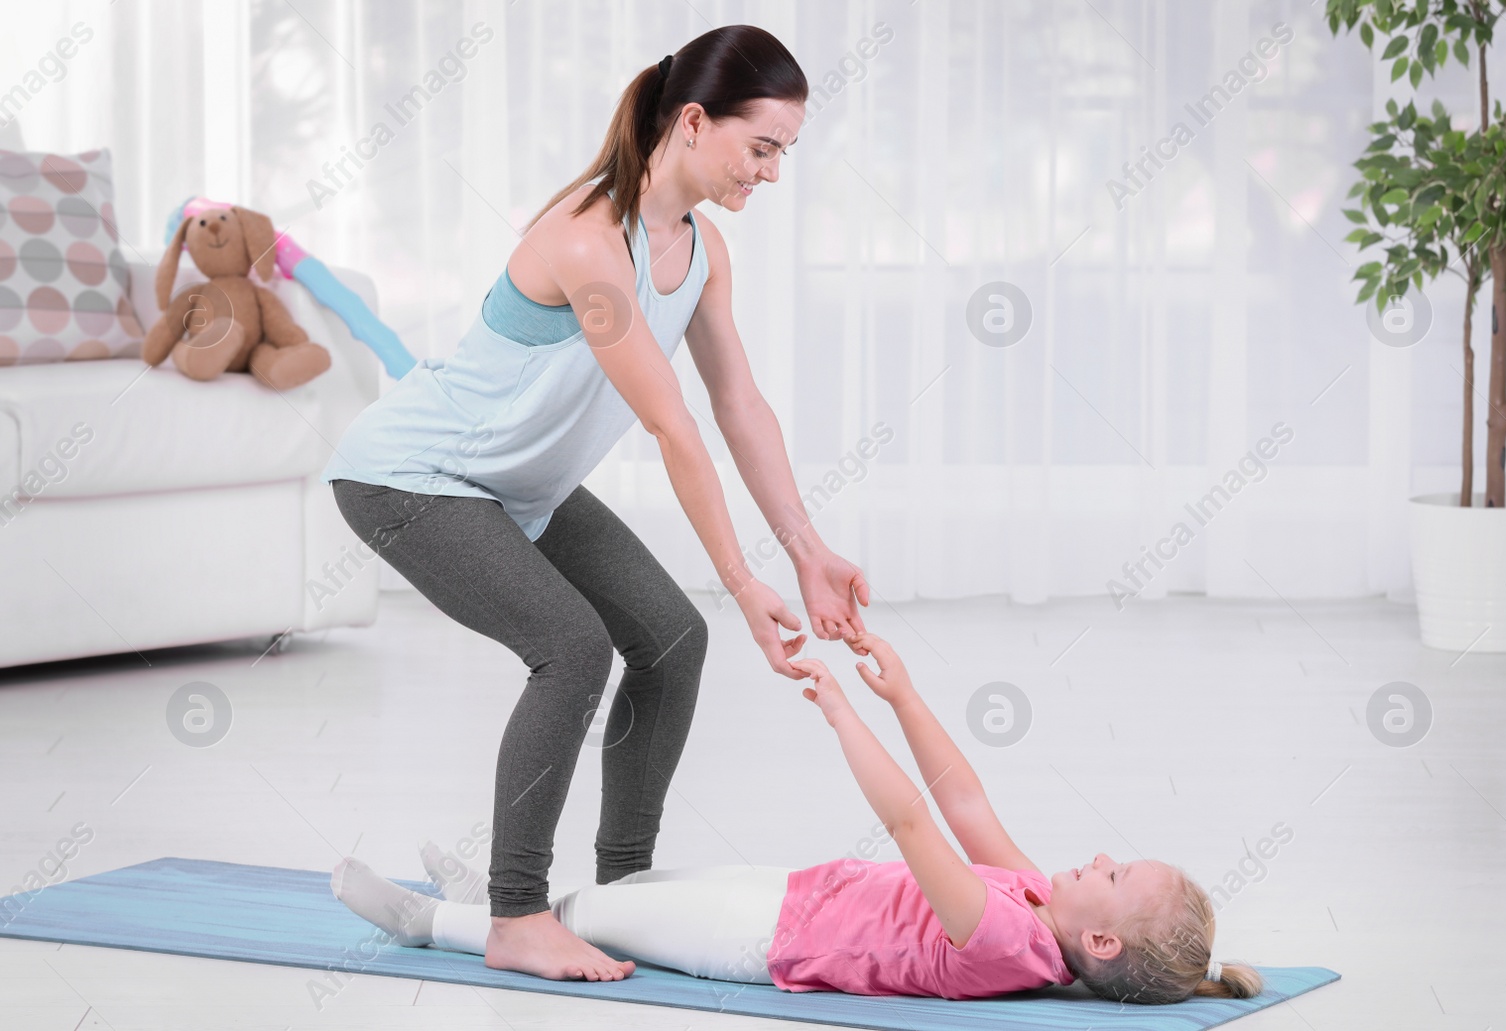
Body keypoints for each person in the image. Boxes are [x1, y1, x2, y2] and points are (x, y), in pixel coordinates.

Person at [320, 25, 868, 981]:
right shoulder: (587, 238)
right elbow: (673, 427)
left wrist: (807, 548)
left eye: (786, 151)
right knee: (571, 648)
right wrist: (742, 581)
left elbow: (737, 405)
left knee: (669, 639)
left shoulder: (701, 252)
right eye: (764, 147)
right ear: (694, 121)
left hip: (518, 487)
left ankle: (625, 892)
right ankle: (517, 913)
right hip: (411, 476)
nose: (774, 172)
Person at [333, 633, 1264, 1004]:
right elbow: (961, 796)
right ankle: (490, 903)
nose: (1098, 856)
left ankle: (437, 925)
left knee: (594, 920)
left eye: (1114, 872)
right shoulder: (1031, 896)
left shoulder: (1006, 944)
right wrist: (902, 693)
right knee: (627, 889)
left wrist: (840, 709)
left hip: (764, 939)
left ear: (1098, 939)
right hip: (794, 891)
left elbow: (911, 824)